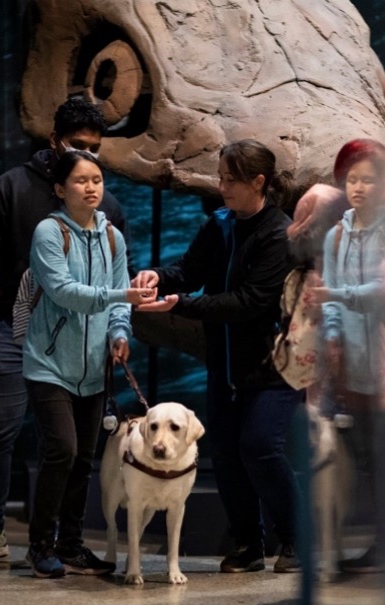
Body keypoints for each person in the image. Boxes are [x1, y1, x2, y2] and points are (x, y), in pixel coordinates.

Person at [0, 99, 127, 565]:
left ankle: (66, 542)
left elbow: (116, 280)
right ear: (54, 142)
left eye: (95, 151)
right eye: (77, 146)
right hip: (14, 328)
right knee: (0, 428)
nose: (88, 159)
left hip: (84, 342)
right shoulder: (10, 189)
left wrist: (117, 330)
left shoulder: (109, 211)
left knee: (76, 451)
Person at [132, 139, 304, 574]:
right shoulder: (220, 223)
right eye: (222, 177)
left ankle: (300, 539)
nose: (222, 186)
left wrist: (181, 304)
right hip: (224, 366)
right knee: (226, 453)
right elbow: (190, 271)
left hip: (271, 367)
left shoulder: (277, 234)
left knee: (261, 447)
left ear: (258, 183)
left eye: (230, 180)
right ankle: (248, 544)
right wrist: (159, 276)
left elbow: (249, 302)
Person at [307, 139, 385, 573]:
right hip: (350, 367)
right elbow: (326, 297)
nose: (359, 187)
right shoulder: (336, 233)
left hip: (384, 361)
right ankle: (384, 540)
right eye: (352, 179)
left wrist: (339, 296)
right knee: (366, 458)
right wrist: (331, 331)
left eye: (368, 179)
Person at [22, 150, 143, 578]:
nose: (92, 187)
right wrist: (121, 298)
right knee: (62, 450)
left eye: (97, 179)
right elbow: (64, 291)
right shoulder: (49, 233)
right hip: (49, 365)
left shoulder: (113, 238)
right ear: (59, 189)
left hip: (94, 370)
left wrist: (119, 333)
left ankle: (71, 544)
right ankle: (39, 545)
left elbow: (117, 297)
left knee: (82, 458)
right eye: (80, 181)